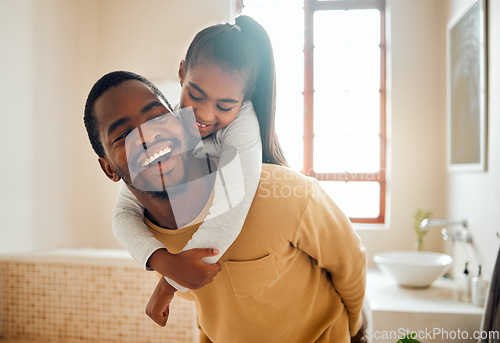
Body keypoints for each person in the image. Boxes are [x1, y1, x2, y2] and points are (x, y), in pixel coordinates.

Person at [84, 71, 367, 342]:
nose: (147, 136)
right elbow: (217, 307)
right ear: (109, 169)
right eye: (122, 136)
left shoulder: (281, 193)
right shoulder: (145, 239)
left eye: (157, 116)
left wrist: (355, 331)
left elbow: (350, 263)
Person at [112, 15, 286, 293]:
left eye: (225, 106)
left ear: (245, 97)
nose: (204, 115)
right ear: (182, 73)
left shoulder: (243, 124)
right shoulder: (167, 119)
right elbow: (124, 212)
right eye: (195, 94)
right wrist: (164, 262)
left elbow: (228, 212)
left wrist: (167, 288)